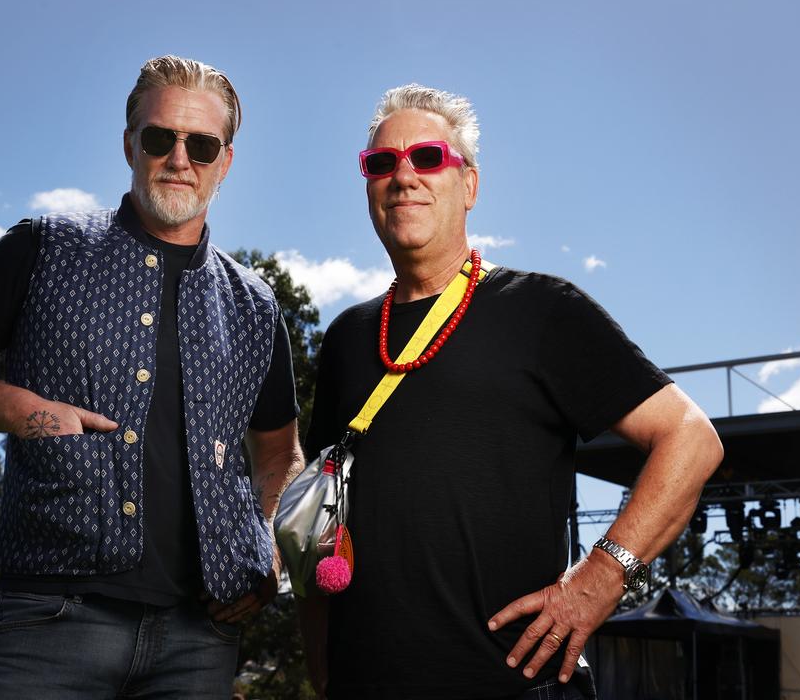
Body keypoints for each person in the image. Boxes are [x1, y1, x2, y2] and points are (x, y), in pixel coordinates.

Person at [299, 84, 724, 700]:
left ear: (469, 184)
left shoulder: (543, 310)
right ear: (367, 186)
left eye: (427, 158)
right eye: (382, 163)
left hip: (513, 685)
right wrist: (323, 670)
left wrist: (601, 579)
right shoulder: (346, 338)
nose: (404, 177)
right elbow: (319, 529)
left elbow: (690, 439)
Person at [0, 55, 306, 700]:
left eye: (201, 144)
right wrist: (27, 410)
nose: (179, 158)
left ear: (225, 161)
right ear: (129, 144)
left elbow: (281, 456)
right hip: (52, 621)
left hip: (201, 640)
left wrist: (267, 555)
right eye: (159, 137)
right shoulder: (43, 248)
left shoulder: (255, 306)